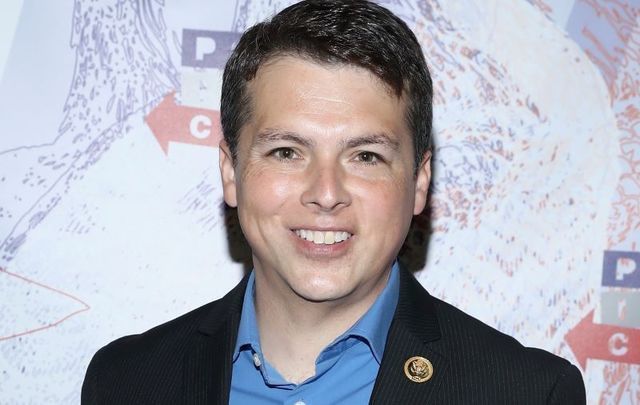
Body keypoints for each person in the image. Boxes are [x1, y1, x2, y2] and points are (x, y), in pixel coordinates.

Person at [82, 1, 586, 403]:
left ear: (419, 183)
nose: (326, 193)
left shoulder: (526, 393)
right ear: (231, 173)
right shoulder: (125, 383)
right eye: (286, 151)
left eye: (365, 156)